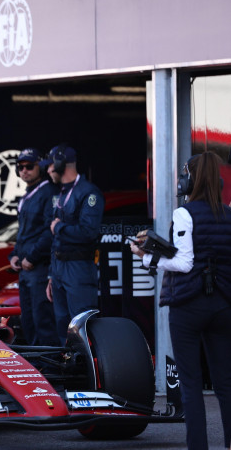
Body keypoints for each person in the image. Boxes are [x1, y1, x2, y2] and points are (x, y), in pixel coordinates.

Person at [130, 152, 231, 450]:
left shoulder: (184, 214)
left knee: (190, 384)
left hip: (188, 306)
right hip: (223, 305)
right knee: (225, 383)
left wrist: (147, 256)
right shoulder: (228, 213)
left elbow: (185, 263)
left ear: (191, 180)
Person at [40, 145, 104, 345]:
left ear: (60, 164)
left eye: (50, 165)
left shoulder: (88, 192)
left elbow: (89, 232)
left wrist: (59, 227)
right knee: (62, 325)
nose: (48, 170)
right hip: (59, 269)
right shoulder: (61, 193)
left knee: (81, 325)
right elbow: (54, 238)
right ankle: (68, 369)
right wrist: (51, 274)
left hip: (78, 267)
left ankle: (87, 373)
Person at [8, 148, 58, 346]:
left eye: (29, 166)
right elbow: (24, 234)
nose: (24, 171)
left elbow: (50, 231)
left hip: (40, 268)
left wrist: (31, 257)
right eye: (20, 167)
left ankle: (51, 371)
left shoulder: (49, 191)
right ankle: (36, 369)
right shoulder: (28, 195)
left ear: (41, 167)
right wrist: (14, 255)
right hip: (26, 270)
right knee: (28, 322)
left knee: (43, 321)